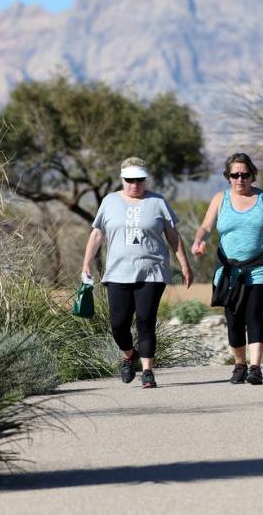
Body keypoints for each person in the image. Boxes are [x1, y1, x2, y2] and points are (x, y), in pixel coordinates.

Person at [82, 157, 194, 389]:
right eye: (130, 180)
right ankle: (128, 355)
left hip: (151, 271)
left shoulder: (157, 201)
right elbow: (96, 234)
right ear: (122, 179)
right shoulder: (110, 201)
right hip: (117, 273)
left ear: (145, 179)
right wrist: (86, 264)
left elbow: (172, 235)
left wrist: (184, 264)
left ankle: (148, 372)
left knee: (146, 320)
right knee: (118, 324)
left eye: (140, 179)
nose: (135, 184)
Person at [192, 152, 263, 385]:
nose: (240, 179)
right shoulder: (220, 199)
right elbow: (206, 227)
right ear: (228, 177)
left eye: (245, 174)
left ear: (253, 175)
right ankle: (239, 364)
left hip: (260, 265)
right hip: (229, 270)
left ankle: (255, 367)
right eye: (235, 175)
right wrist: (198, 240)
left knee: (254, 314)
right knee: (234, 319)